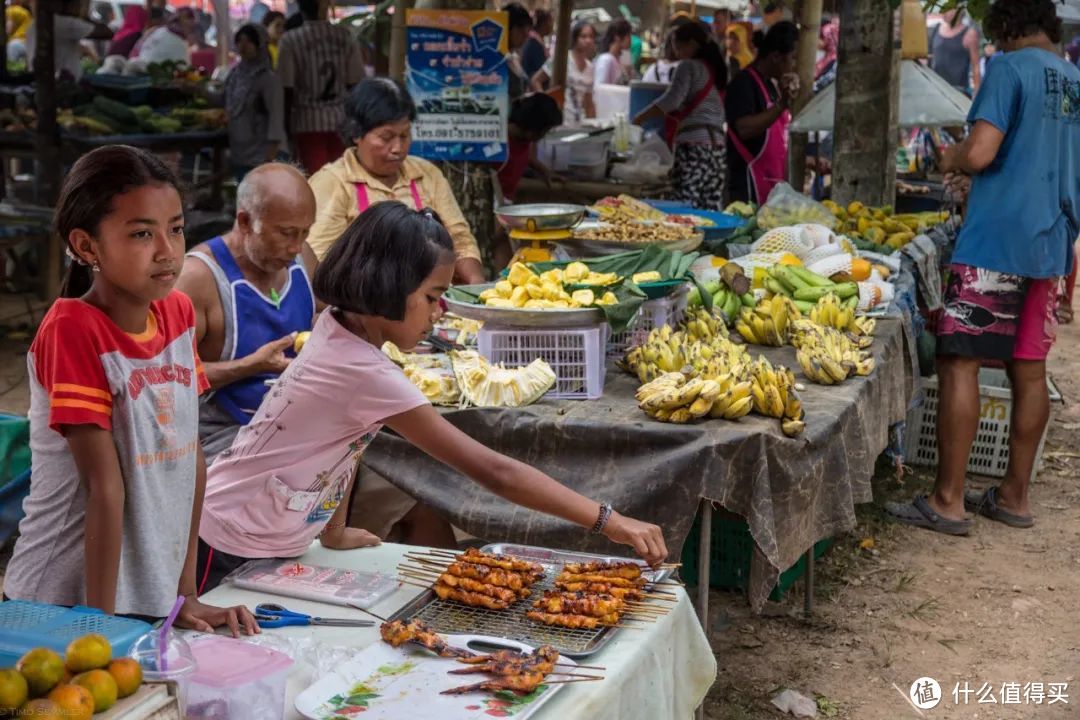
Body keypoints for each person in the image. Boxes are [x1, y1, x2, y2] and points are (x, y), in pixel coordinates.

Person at [194, 202, 669, 594]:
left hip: (260, 529)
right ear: (389, 287)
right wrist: (609, 520)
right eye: (432, 296)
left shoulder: (338, 326)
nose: (440, 312)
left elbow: (347, 439)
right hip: (230, 540)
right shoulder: (363, 369)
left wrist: (333, 530)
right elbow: (494, 470)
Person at [3, 145, 258, 634]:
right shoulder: (73, 330)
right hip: (61, 602)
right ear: (88, 246)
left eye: (177, 229)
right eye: (142, 233)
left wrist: (183, 594)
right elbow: (105, 487)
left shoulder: (178, 313)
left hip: (145, 597)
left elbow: (190, 459)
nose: (167, 250)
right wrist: (98, 632)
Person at [886, 0, 1080, 536]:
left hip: (996, 241)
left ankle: (948, 500)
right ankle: (1014, 497)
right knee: (1029, 369)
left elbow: (981, 153)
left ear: (1009, 27)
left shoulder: (1008, 69)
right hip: (1053, 241)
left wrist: (952, 157)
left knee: (960, 361)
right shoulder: (1074, 79)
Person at [177, 164, 317, 463]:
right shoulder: (197, 279)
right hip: (221, 433)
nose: (296, 246)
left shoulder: (302, 258)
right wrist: (251, 365)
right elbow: (170, 380)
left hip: (296, 421)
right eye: (286, 233)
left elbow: (321, 318)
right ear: (244, 221)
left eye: (305, 233)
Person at [306, 78, 485, 285]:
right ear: (356, 134)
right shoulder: (332, 182)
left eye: (405, 135)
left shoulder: (427, 174)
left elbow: (459, 239)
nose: (398, 148)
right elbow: (320, 261)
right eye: (386, 137)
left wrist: (476, 284)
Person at [634, 21, 728, 210]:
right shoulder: (714, 69)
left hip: (694, 147)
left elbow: (671, 102)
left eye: (678, 46)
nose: (675, 52)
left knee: (685, 204)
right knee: (708, 205)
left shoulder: (689, 66)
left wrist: (638, 118)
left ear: (692, 43)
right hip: (717, 147)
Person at [278, 0, 365, 174]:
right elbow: (355, 82)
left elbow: (286, 88)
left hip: (306, 122)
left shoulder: (290, 40)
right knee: (341, 178)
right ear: (324, 7)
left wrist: (285, 127)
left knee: (316, 180)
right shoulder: (346, 36)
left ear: (300, 8)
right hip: (341, 120)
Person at [724, 20, 799, 204]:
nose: (795, 64)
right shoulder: (744, 83)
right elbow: (744, 128)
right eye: (792, 58)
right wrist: (781, 105)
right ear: (775, 57)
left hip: (771, 186)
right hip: (747, 187)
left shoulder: (771, 85)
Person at [218, 24, 286, 181]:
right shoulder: (235, 74)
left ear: (259, 44)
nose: (243, 45)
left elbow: (276, 117)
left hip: (263, 153)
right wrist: (198, 90)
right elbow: (223, 100)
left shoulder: (268, 79)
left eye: (249, 41)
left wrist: (271, 153)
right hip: (240, 150)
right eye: (240, 41)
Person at [497, 93, 564, 203]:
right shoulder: (501, 142)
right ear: (534, 129)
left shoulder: (525, 141)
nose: (544, 136)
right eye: (546, 131)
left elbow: (527, 157)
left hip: (508, 199)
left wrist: (546, 172)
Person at [529, 21, 597, 125]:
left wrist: (594, 125)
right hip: (558, 122)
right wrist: (545, 105)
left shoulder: (590, 68)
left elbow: (588, 103)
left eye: (591, 37)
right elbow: (535, 81)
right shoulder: (561, 59)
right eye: (583, 36)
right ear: (575, 39)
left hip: (579, 125)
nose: (588, 40)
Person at [26, 0, 113, 80]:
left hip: (42, 81)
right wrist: (84, 16)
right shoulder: (66, 23)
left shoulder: (36, 24)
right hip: (61, 84)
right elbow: (107, 33)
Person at [929, 9, 981, 96]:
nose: (944, 12)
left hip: (958, 90)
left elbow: (976, 65)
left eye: (949, 9)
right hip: (935, 87)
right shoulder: (936, 28)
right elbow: (928, 56)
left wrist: (977, 92)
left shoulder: (969, 34)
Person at [504, 3, 533, 100]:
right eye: (520, 29)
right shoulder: (498, 59)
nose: (526, 34)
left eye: (527, 29)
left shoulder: (514, 56)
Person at [594, 19, 633, 87]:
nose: (630, 40)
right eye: (628, 36)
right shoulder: (606, 60)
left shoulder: (619, 60)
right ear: (617, 37)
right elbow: (600, 87)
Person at [520, 8, 553, 82]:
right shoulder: (533, 43)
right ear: (543, 23)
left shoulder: (537, 41)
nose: (552, 25)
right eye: (550, 21)